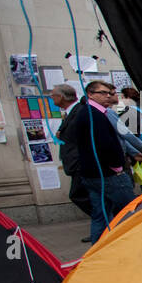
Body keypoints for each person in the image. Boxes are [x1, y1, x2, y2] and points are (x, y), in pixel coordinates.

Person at [77, 81, 138, 242]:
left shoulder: (92, 113)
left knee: (101, 214)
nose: (108, 96)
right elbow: (105, 144)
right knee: (132, 210)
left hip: (95, 174)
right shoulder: (94, 115)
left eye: (109, 93)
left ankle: (98, 249)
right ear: (90, 94)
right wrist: (116, 167)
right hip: (107, 174)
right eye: (103, 93)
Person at [49, 84, 93, 239]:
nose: (51, 98)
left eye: (53, 95)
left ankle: (107, 221)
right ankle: (101, 225)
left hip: (81, 162)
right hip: (76, 162)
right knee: (87, 195)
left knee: (78, 194)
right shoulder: (71, 113)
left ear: (61, 97)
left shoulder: (80, 111)